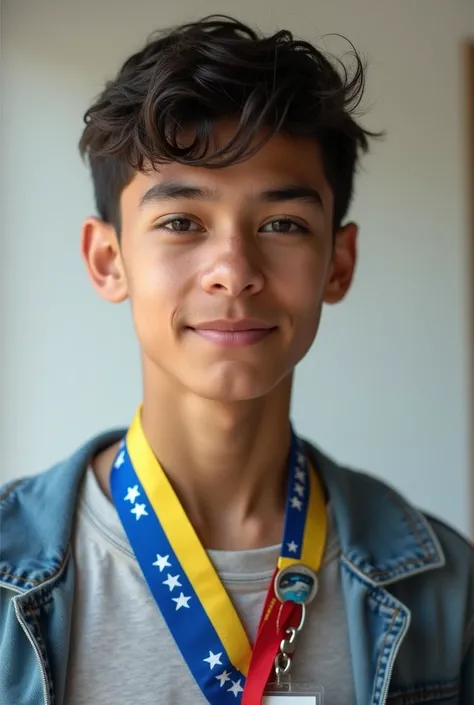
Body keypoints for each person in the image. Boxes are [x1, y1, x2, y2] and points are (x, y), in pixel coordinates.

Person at [0, 14, 472, 705]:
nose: (233, 271)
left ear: (337, 264)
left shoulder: (447, 589)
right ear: (109, 260)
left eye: (282, 224)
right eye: (181, 222)